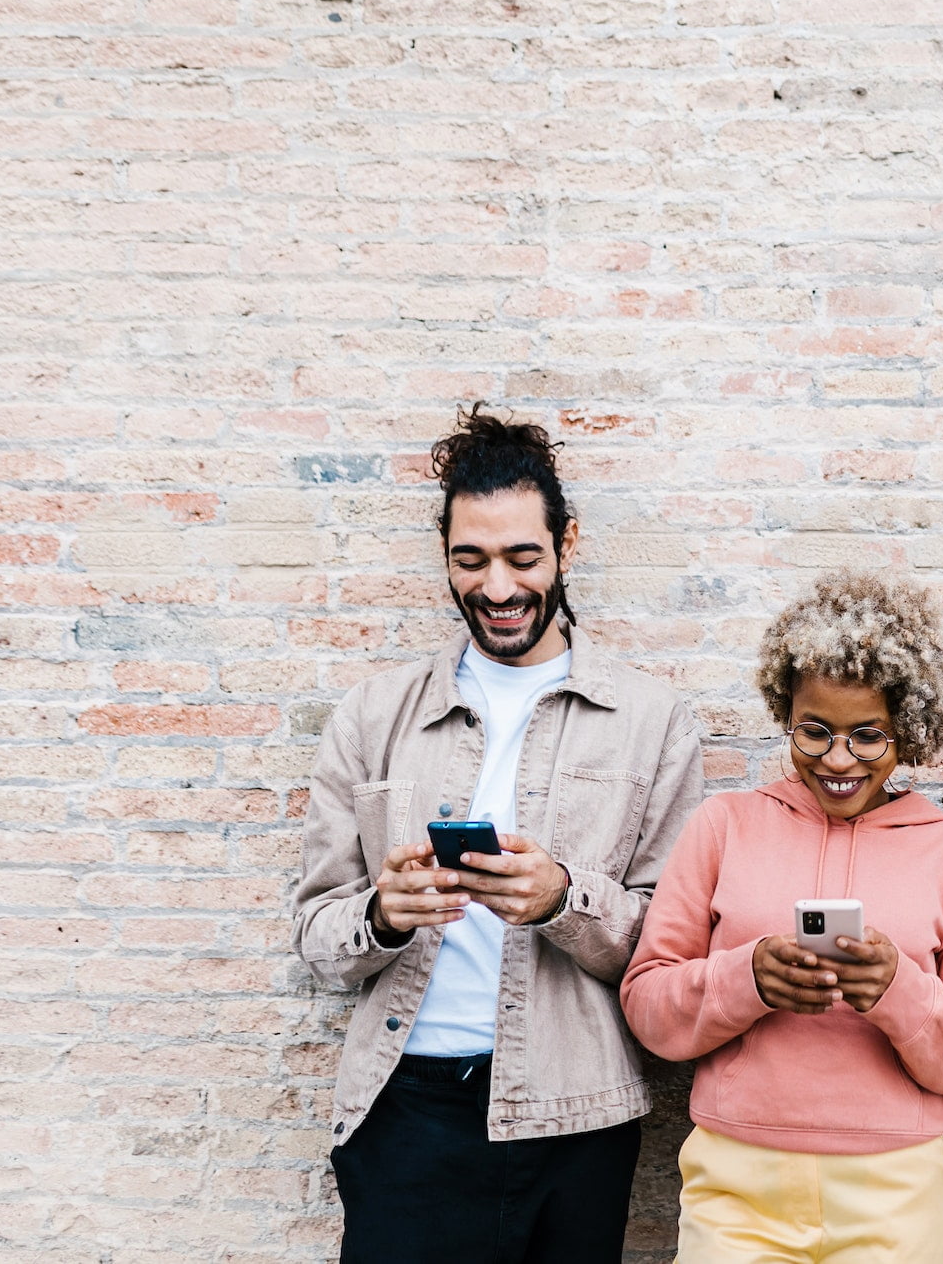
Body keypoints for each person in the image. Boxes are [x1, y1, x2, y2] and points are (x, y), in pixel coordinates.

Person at [291, 406, 704, 1263]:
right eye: (469, 559)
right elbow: (318, 936)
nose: (499, 587)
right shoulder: (374, 715)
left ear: (567, 544)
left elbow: (675, 943)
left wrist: (565, 900)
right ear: (444, 554)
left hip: (575, 1113)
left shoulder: (653, 721)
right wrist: (383, 912)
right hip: (405, 1112)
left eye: (523, 557)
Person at [621, 570, 943, 1263]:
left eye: (868, 736)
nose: (837, 758)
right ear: (785, 713)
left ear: (911, 730)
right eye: (814, 731)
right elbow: (648, 1005)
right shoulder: (723, 826)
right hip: (736, 1182)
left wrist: (898, 990)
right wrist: (749, 980)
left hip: (897, 1192)